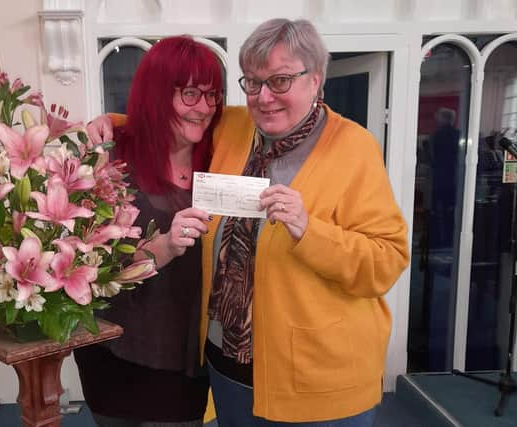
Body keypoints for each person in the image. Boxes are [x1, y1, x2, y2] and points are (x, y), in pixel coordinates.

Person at [88, 18, 409, 426]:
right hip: (227, 368)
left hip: (316, 377)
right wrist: (110, 122)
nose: (263, 98)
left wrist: (309, 230)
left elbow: (387, 259)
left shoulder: (353, 148)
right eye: (252, 83)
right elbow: (168, 116)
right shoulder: (237, 128)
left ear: (315, 79)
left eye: (279, 81)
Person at [73, 35, 223, 427]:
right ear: (157, 93)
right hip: (114, 345)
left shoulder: (224, 152)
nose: (204, 108)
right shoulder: (112, 156)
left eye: (212, 95)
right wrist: (165, 247)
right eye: (190, 93)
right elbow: (86, 261)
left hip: (185, 351)